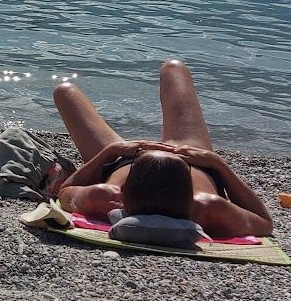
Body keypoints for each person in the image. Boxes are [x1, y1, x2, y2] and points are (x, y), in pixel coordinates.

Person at [46, 61, 274, 238]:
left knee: (64, 91)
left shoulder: (107, 197)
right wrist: (217, 163)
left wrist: (111, 152)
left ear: (123, 193)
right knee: (174, 68)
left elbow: (66, 192)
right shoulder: (207, 207)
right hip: (190, 157)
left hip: (123, 160)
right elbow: (264, 223)